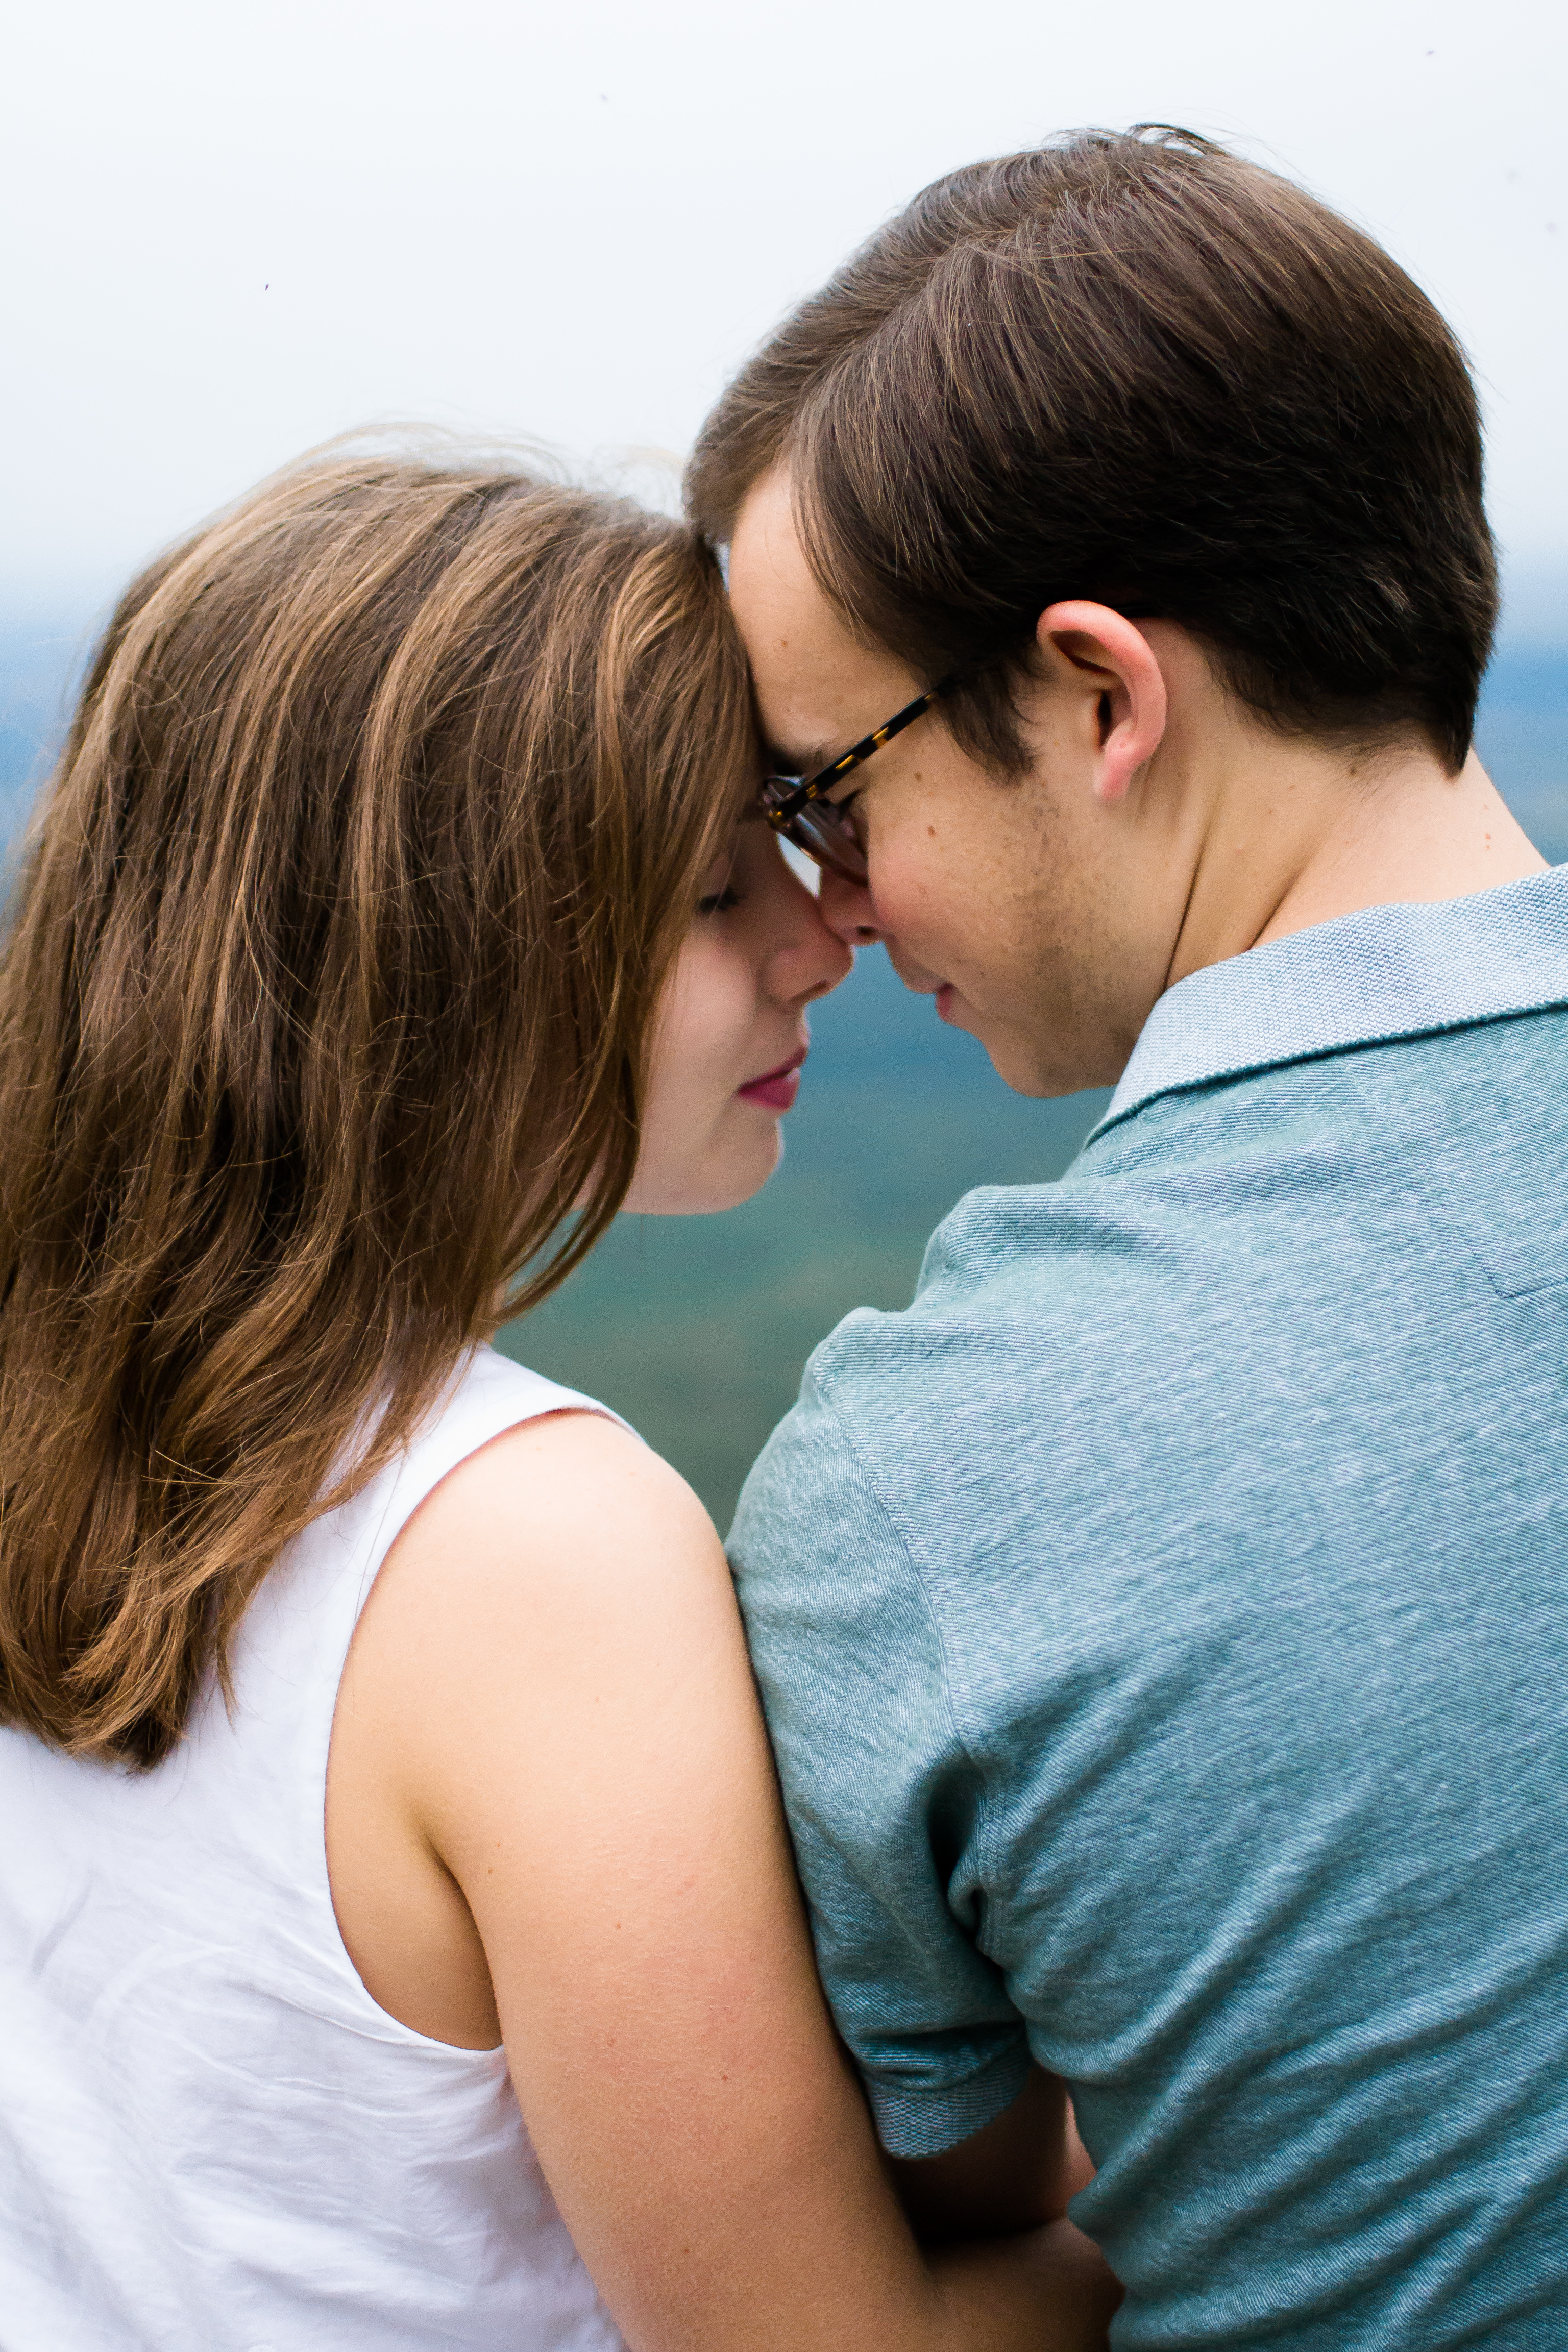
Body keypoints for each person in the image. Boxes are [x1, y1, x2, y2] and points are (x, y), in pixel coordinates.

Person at [0, 449, 1122, 2349]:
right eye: (704, 895)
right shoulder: (528, 1554)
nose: (815, 936)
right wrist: (1258, 2203)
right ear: (432, 976)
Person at [692, 127, 1568, 2347]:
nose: (836, 909)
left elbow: (954, 2189)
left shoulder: (927, 1475)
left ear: (1100, 696)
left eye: (831, 796)